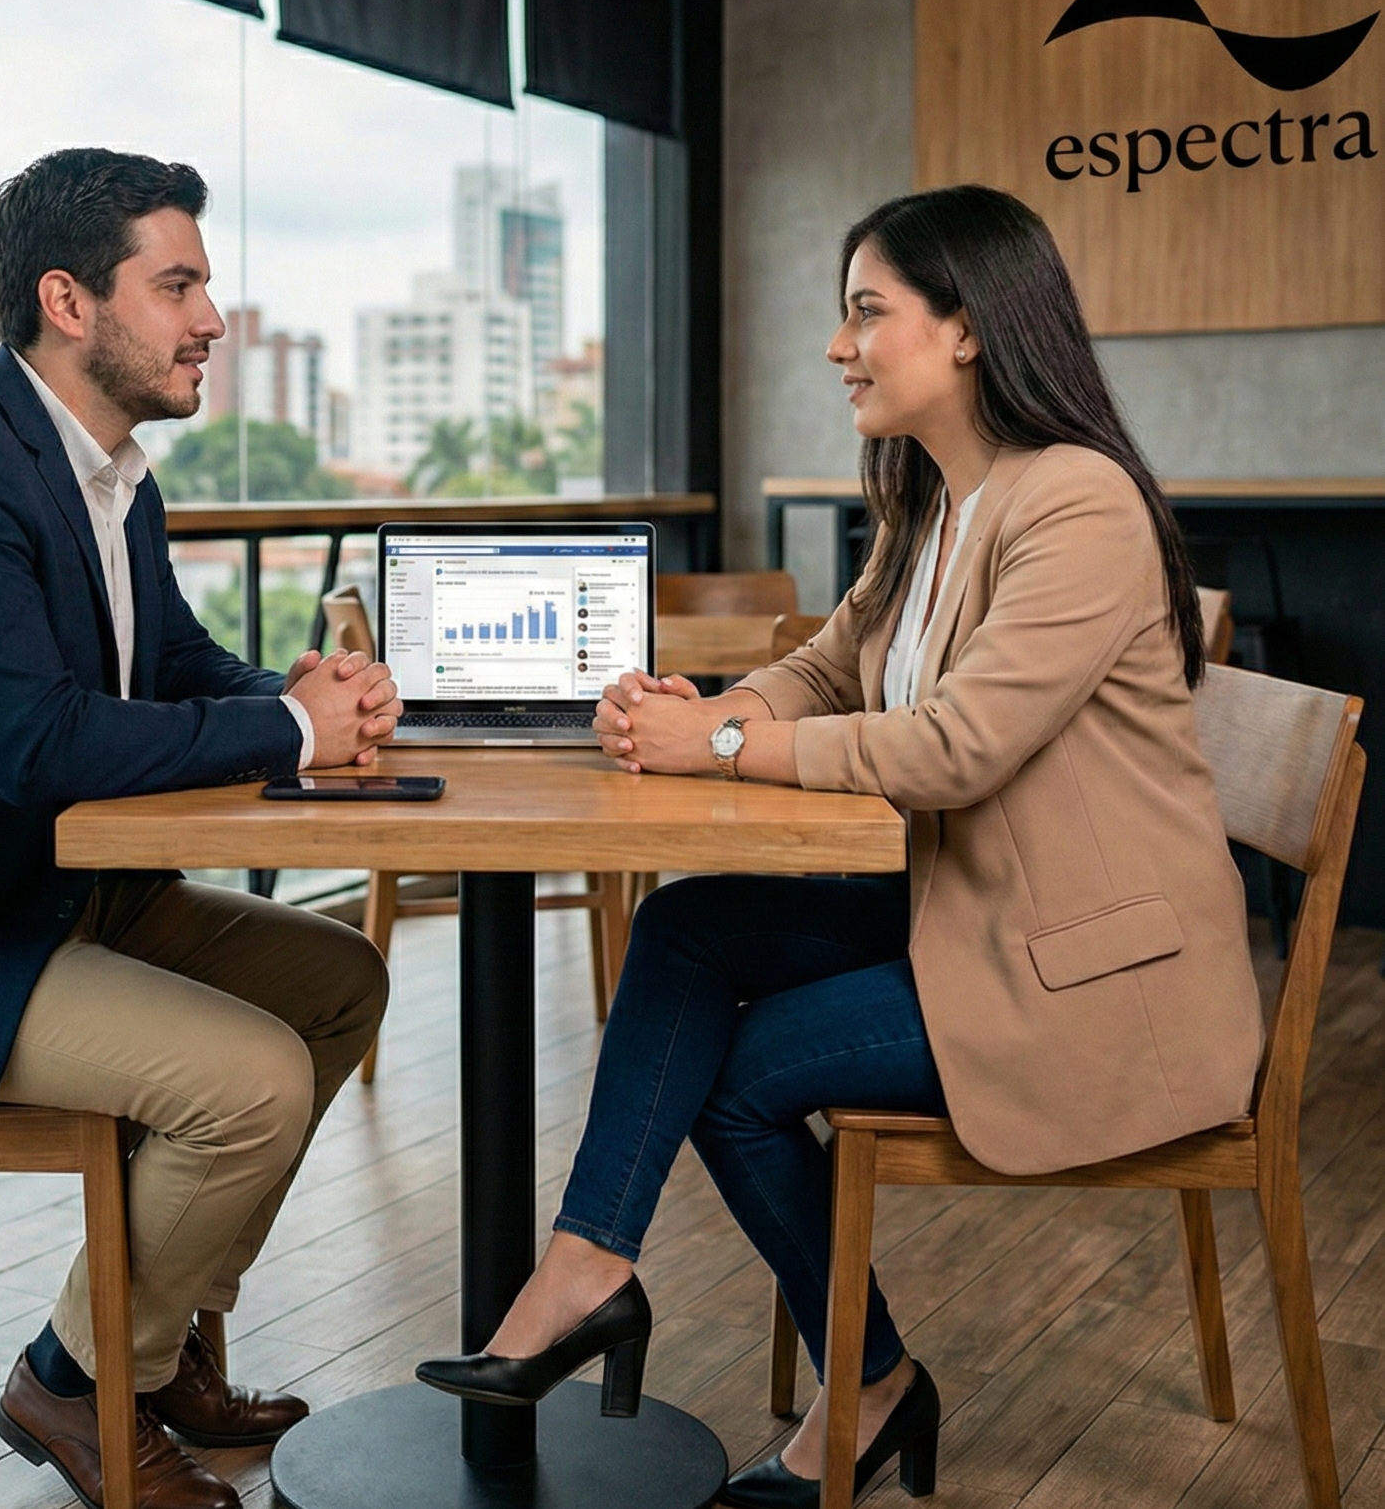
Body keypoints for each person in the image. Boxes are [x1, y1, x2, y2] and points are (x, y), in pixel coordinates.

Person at [415, 185, 1263, 1507]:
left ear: (967, 328)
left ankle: (867, 1384)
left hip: (1093, 978)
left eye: (866, 312)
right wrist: (711, 710)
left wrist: (720, 748)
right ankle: (588, 1265)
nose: (837, 345)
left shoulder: (1076, 504)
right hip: (973, 912)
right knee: (686, 924)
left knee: (735, 1074)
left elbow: (958, 746)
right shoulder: (935, 501)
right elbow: (821, 668)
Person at [0, 149, 400, 1509]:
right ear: (68, 301)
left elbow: (171, 663)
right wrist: (290, 735)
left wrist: (296, 695)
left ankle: (157, 1348)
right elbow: (38, 743)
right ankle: (72, 1376)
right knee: (251, 1080)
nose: (212, 319)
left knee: (341, 980)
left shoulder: (113, 477)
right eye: (178, 286)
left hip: (43, 898)